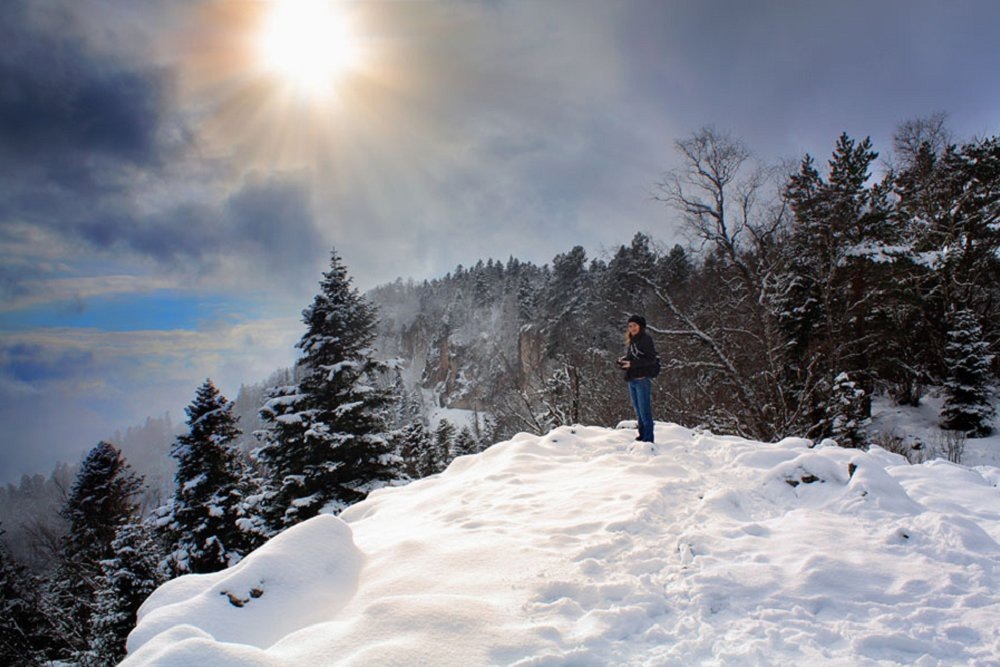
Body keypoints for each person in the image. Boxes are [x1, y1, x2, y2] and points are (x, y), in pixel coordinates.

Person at [618, 314, 657, 443]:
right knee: (638, 411)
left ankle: (648, 439)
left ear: (640, 326)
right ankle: (642, 435)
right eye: (630, 326)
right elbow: (634, 358)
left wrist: (632, 364)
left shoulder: (646, 340)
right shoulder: (632, 340)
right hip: (632, 379)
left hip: (642, 379)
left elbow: (651, 359)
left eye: (634, 325)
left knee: (645, 411)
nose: (632, 328)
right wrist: (624, 361)